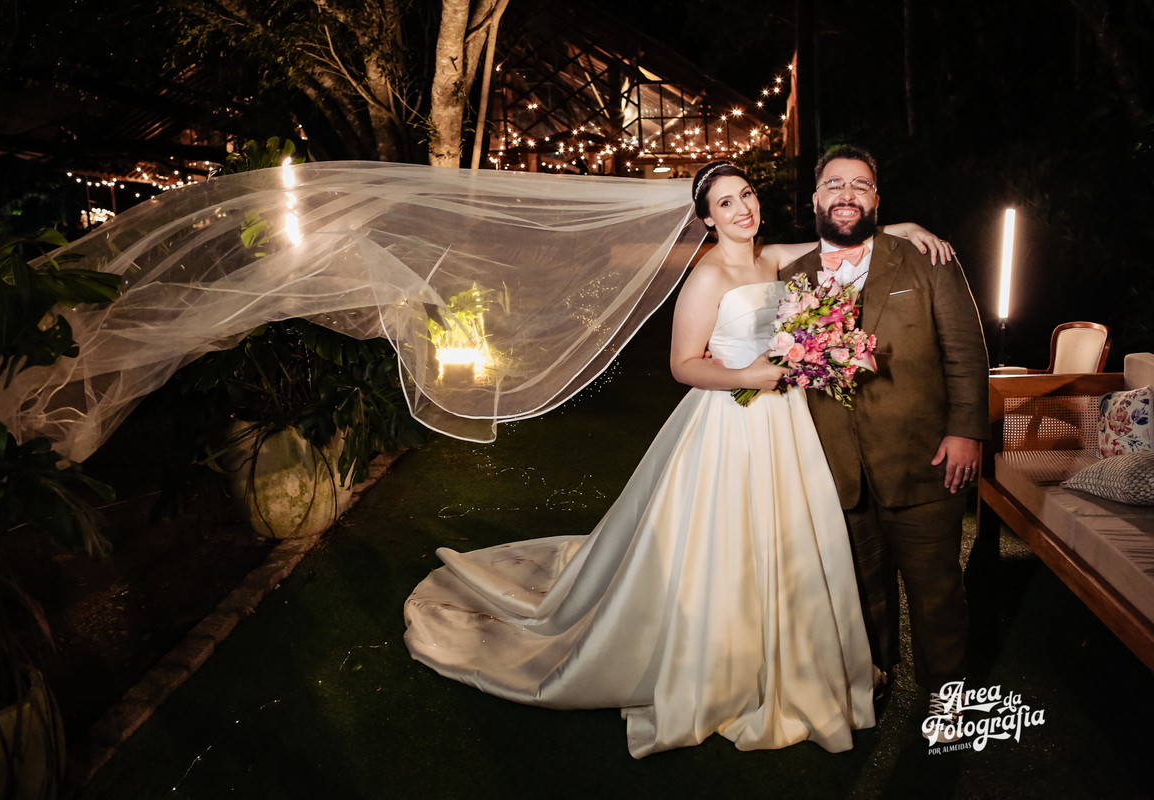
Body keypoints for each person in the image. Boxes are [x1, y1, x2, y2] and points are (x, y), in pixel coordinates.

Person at [402, 161, 951, 758]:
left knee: (790, 539)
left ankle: (793, 657)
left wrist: (903, 226)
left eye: (745, 196)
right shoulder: (708, 277)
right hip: (733, 424)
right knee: (728, 545)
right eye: (725, 204)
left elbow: (841, 241)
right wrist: (749, 374)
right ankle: (726, 666)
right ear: (706, 218)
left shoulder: (773, 258)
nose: (742, 209)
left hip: (789, 426)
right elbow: (683, 364)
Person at [777, 146, 989, 739]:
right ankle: (873, 680)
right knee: (859, 589)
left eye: (861, 185)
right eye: (834, 184)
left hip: (925, 459)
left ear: (877, 200)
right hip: (833, 469)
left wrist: (967, 429)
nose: (847, 194)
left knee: (936, 589)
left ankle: (947, 698)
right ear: (815, 198)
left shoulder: (926, 260)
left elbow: (966, 353)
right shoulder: (790, 279)